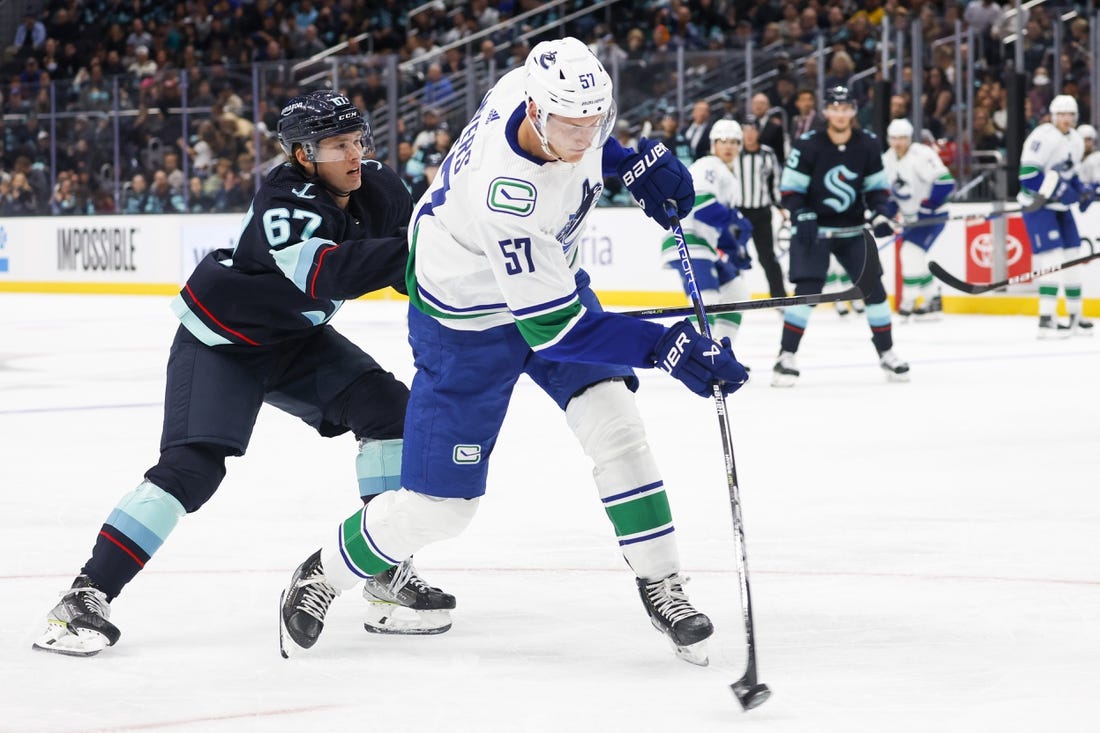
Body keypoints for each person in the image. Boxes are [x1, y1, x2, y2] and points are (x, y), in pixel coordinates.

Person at [277, 37, 748, 666]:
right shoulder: (508, 195)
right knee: (441, 510)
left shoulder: (532, 89)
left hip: (548, 288)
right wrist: (668, 345)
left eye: (595, 122)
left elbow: (588, 143)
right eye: (572, 127)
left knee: (617, 427)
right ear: (535, 111)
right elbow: (560, 332)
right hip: (465, 322)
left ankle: (662, 581)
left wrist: (628, 160)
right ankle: (323, 573)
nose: (584, 137)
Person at [33, 91, 455, 657]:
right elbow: (326, 273)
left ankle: (383, 571)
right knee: (192, 469)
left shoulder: (379, 185)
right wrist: (425, 248)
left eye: (358, 141)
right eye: (337, 145)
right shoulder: (285, 198)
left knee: (390, 413)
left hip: (294, 340)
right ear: (303, 155)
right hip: (223, 341)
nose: (355, 155)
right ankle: (83, 597)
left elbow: (413, 271)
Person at [772, 85, 910, 386]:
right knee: (807, 292)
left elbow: (877, 190)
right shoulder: (808, 144)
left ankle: (887, 353)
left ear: (853, 111)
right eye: (834, 108)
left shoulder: (868, 144)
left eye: (845, 108)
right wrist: (802, 213)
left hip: (851, 230)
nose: (840, 114)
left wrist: (880, 213)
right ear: (826, 112)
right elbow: (790, 191)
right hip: (813, 232)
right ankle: (786, 356)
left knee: (874, 289)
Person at [659, 119, 754, 345]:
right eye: (723, 141)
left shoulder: (727, 173)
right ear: (713, 144)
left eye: (734, 142)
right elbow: (701, 205)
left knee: (736, 293)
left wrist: (734, 249)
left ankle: (721, 351)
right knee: (706, 299)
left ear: (740, 146)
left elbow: (717, 224)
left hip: (703, 244)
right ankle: (702, 355)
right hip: (687, 239)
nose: (728, 146)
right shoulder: (709, 165)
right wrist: (735, 219)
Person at [1018, 95, 1094, 337]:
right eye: (1061, 114)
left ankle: (1075, 315)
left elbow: (1071, 174)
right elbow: (1028, 176)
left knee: (1072, 257)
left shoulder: (1076, 140)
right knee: (1052, 259)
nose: (1066, 119)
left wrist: (1081, 190)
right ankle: (1046, 318)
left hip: (1059, 208)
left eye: (1070, 114)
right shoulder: (1041, 137)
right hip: (1037, 205)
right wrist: (1061, 191)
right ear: (1052, 116)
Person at [882, 118, 956, 319]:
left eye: (902, 138)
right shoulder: (887, 159)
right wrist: (885, 214)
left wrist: (927, 206)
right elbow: (890, 194)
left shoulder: (922, 154)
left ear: (909, 138)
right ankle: (933, 299)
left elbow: (946, 182)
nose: (898, 143)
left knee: (910, 253)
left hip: (932, 216)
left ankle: (909, 300)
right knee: (914, 256)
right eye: (894, 138)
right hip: (910, 219)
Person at [735, 117, 788, 298]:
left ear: (758, 132)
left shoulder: (767, 154)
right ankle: (731, 296)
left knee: (767, 257)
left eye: (753, 130)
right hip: (737, 213)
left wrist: (780, 207)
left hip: (761, 213)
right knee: (733, 255)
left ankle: (779, 297)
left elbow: (775, 183)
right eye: (745, 130)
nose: (749, 134)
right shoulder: (734, 152)